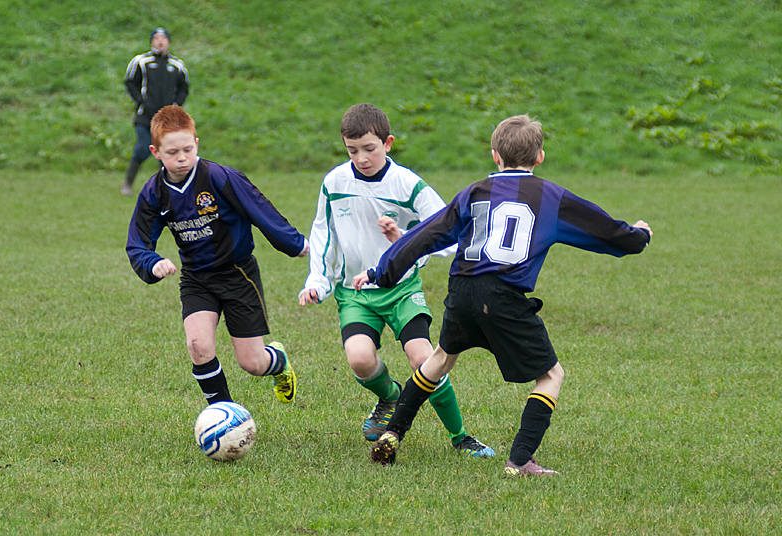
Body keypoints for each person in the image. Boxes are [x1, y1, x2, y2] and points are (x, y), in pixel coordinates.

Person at [353, 114, 653, 476]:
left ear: (494, 155)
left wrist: (381, 272)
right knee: (550, 376)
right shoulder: (551, 197)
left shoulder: (474, 192)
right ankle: (521, 460)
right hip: (504, 295)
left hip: (462, 289)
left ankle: (393, 433)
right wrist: (638, 236)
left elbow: (427, 234)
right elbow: (605, 231)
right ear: (539, 157)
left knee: (439, 359)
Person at [299, 103, 494, 458]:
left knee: (423, 358)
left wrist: (403, 237)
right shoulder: (334, 182)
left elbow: (449, 232)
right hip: (355, 293)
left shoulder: (407, 184)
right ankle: (389, 395)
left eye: (369, 148)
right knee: (359, 358)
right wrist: (318, 282)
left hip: (401, 288)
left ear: (388, 143)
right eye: (352, 150)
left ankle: (461, 436)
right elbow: (323, 234)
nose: (361, 158)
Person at [126, 105, 309, 409]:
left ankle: (278, 361)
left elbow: (261, 212)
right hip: (196, 279)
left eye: (187, 148)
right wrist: (152, 262)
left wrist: (297, 244)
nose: (181, 157)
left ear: (197, 141)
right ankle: (225, 414)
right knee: (198, 347)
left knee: (252, 363)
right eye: (172, 152)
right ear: (155, 152)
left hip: (238, 275)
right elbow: (138, 244)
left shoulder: (220, 177)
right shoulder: (154, 192)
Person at [121, 27, 189, 196]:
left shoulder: (177, 65)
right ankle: (127, 184)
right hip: (145, 116)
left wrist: (176, 105)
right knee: (143, 148)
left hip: (167, 119)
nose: (160, 41)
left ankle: (166, 190)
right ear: (152, 41)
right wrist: (141, 101)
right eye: (156, 38)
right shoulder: (141, 61)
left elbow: (184, 87)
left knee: (167, 154)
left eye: (164, 38)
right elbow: (130, 82)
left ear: (168, 41)